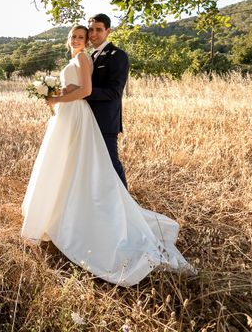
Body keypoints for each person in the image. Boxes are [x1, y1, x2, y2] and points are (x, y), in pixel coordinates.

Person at [20, 25, 194, 286]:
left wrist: (57, 98)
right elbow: (76, 87)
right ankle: (58, 209)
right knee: (66, 164)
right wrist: (58, 94)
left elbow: (86, 91)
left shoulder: (82, 57)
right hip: (69, 116)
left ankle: (88, 213)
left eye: (83, 36)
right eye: (75, 36)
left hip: (76, 113)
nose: (79, 40)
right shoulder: (79, 57)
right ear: (68, 38)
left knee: (81, 164)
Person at [86, 14, 129, 188]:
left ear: (108, 31)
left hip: (105, 120)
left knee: (111, 162)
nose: (93, 34)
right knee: (92, 165)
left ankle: (126, 203)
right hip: (86, 119)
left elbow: (114, 92)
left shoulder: (117, 55)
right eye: (90, 29)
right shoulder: (89, 56)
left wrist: (83, 93)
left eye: (98, 29)